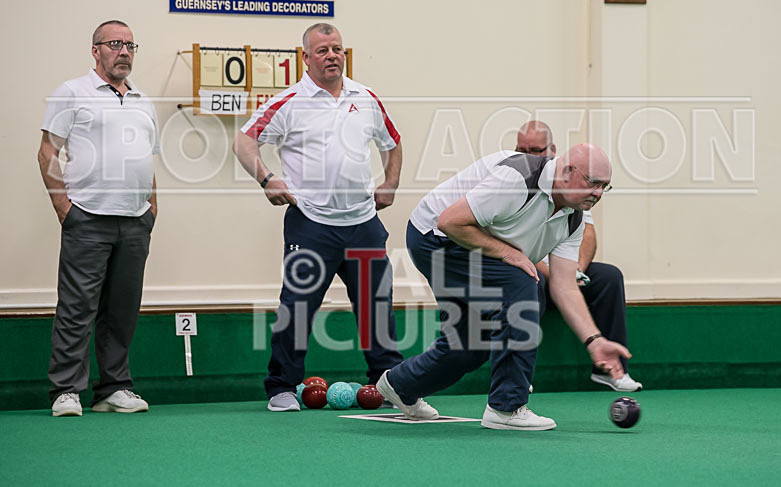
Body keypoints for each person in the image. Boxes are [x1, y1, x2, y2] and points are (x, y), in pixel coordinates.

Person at [377, 143, 632, 430]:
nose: (598, 194)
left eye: (604, 187)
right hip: (436, 237)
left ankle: (400, 385)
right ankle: (506, 406)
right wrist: (508, 253)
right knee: (523, 283)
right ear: (567, 171)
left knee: (469, 346)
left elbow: (564, 286)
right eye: (593, 183)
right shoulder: (517, 179)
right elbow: (451, 221)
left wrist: (594, 341)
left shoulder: (573, 218)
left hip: (471, 246)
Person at [234, 23, 405, 412]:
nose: (332, 56)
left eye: (338, 49)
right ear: (305, 58)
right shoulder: (289, 101)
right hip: (310, 224)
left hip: (363, 222)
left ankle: (391, 384)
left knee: (377, 308)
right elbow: (243, 141)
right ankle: (281, 386)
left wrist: (391, 182)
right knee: (297, 308)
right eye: (323, 50)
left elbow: (393, 143)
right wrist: (266, 178)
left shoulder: (366, 97)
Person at [38, 20, 158, 417]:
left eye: (129, 45)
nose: (123, 52)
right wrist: (64, 209)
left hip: (135, 220)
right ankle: (66, 391)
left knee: (122, 311)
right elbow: (47, 153)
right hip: (87, 217)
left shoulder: (143, 100)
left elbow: (147, 159)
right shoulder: (72, 93)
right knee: (77, 308)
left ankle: (114, 387)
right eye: (114, 44)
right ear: (96, 50)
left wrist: (152, 207)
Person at [515, 120, 642, 392]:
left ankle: (611, 370)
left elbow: (586, 235)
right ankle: (518, 378)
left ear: (552, 150)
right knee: (528, 279)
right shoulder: (517, 184)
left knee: (608, 276)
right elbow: (517, 250)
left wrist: (577, 271)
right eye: (521, 149)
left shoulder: (572, 184)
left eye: (535, 150)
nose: (528, 155)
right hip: (531, 270)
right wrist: (559, 277)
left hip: (565, 272)